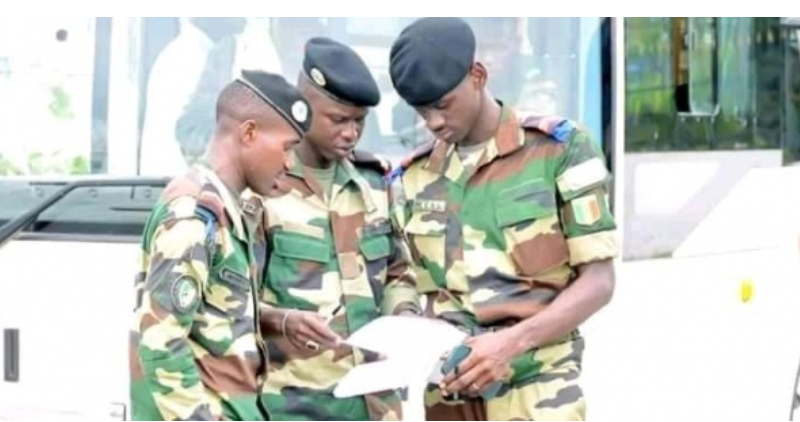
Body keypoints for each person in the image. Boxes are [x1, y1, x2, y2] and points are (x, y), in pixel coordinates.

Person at [387, 17, 619, 421]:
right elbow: (403, 278)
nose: (434, 122)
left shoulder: (559, 151)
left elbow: (599, 282)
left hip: (538, 392)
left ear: (478, 75)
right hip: (449, 396)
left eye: (442, 105)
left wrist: (510, 343)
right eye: (422, 111)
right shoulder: (414, 177)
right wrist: (408, 326)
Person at [129, 69, 313, 421]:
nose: (290, 163)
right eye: (287, 148)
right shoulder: (194, 215)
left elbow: (212, 316)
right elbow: (161, 342)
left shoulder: (227, 210)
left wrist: (280, 320)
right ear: (249, 132)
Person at [255, 37, 421, 421]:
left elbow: (398, 272)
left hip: (374, 403)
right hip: (292, 405)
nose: (351, 133)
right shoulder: (263, 186)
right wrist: (282, 321)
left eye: (359, 122)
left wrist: (407, 315)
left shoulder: (375, 184)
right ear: (303, 106)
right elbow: (231, 301)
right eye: (338, 119)